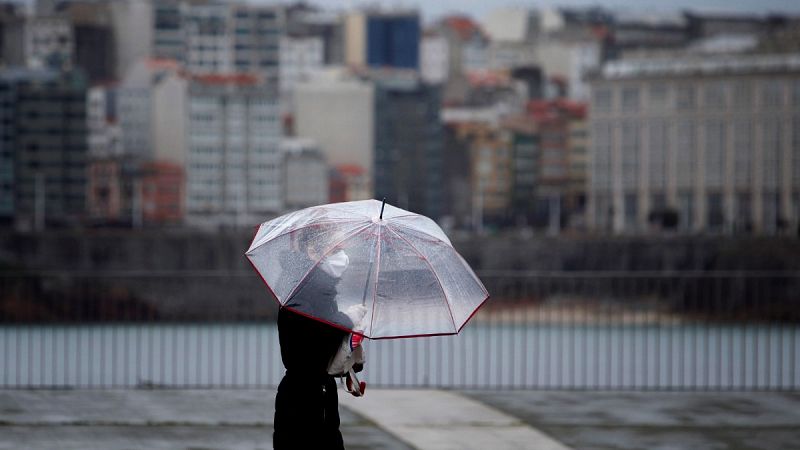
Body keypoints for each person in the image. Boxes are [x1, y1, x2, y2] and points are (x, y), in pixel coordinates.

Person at [273, 243, 362, 450]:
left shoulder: (318, 288)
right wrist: (346, 320)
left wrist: (350, 349)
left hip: (316, 394)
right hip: (304, 401)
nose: (342, 257)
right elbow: (310, 344)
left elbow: (321, 344)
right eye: (335, 251)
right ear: (313, 251)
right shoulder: (303, 288)